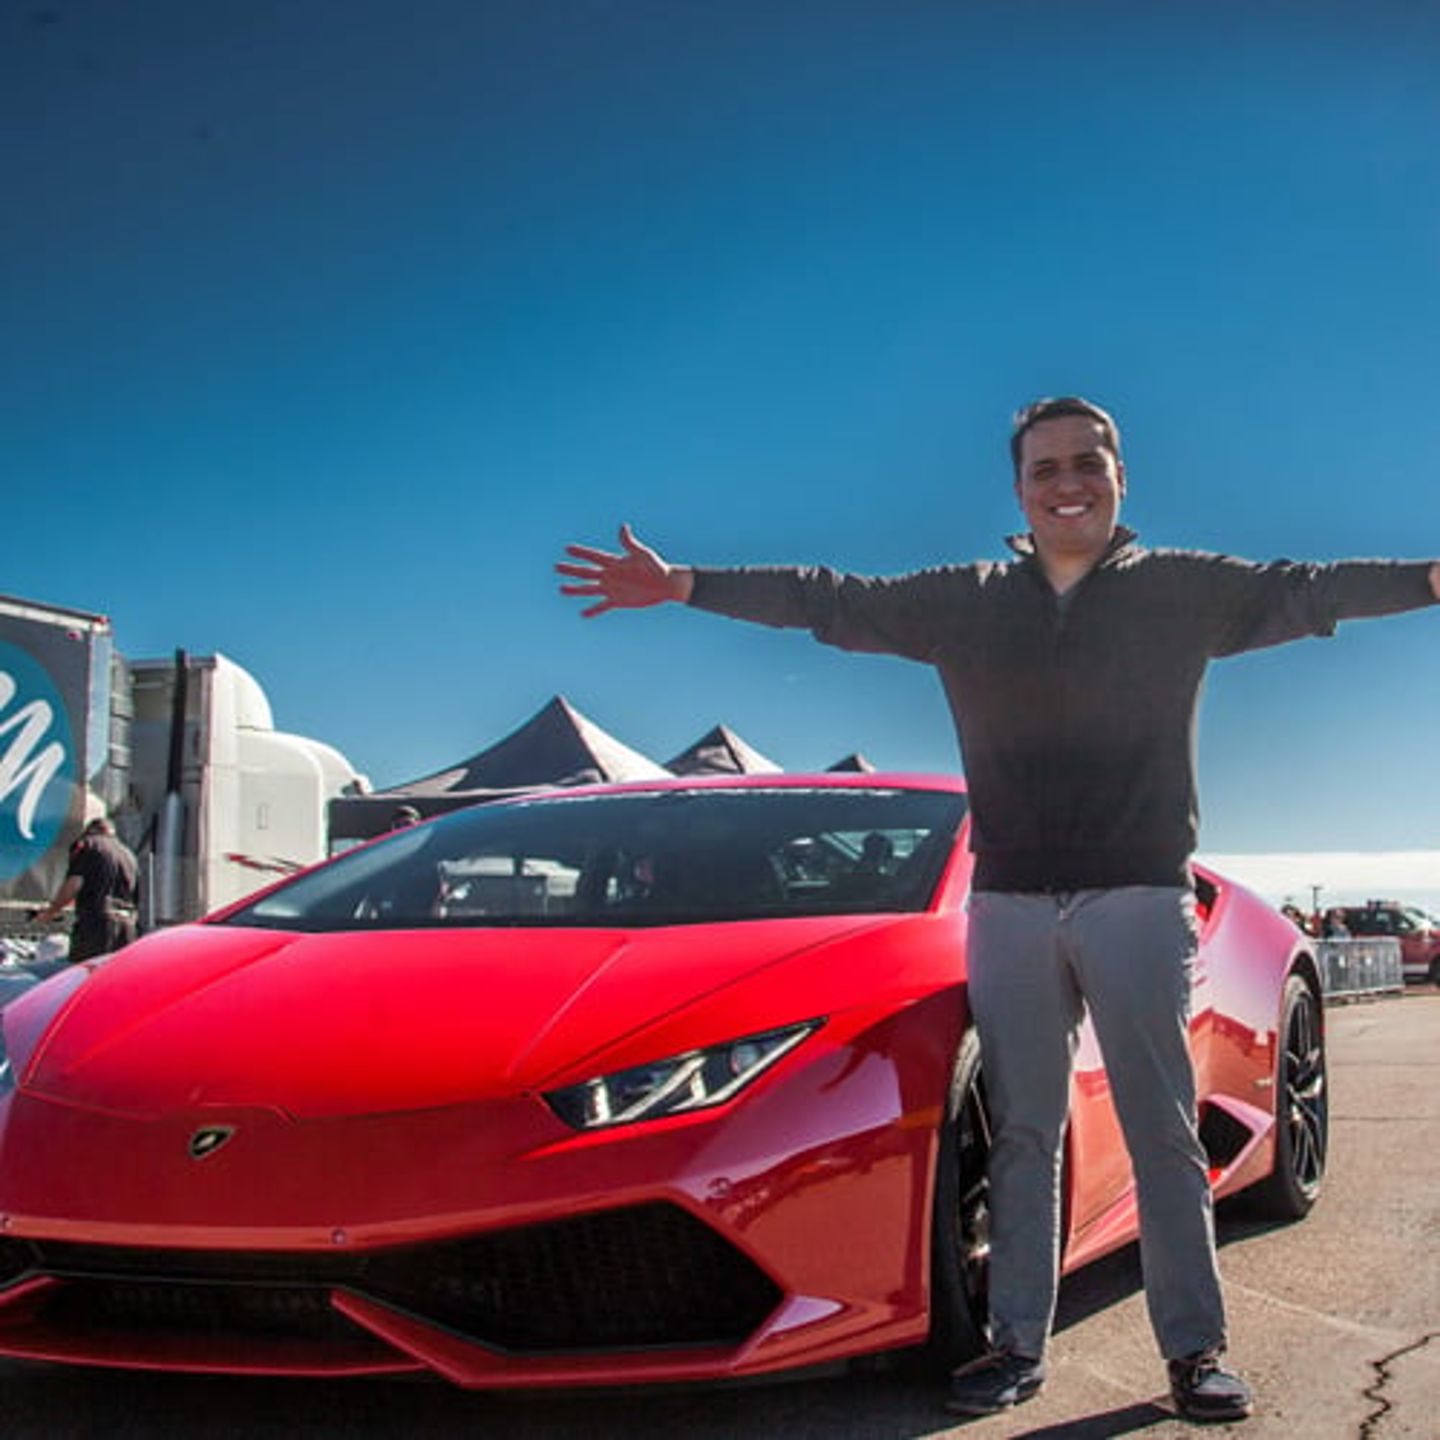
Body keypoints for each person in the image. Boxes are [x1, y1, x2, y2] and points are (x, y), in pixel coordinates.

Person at [556, 395, 1440, 1424]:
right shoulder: (965, 599)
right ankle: (1016, 1344)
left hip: (1138, 896)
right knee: (1026, 1131)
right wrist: (686, 585)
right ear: (1017, 488)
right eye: (1045, 468)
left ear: (1120, 476)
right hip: (1011, 903)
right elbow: (826, 600)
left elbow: (1312, 592)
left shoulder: (1187, 590)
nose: (1068, 482)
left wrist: (1427, 580)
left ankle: (1194, 1354)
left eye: (1086, 463)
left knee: (1162, 1131)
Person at [33, 816, 140, 962]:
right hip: (127, 928)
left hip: (97, 925)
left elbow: (75, 882)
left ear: (90, 830)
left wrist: (51, 911)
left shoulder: (88, 845)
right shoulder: (129, 855)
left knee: (84, 975)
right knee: (116, 979)